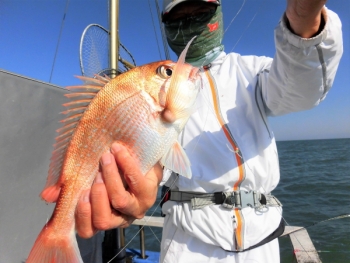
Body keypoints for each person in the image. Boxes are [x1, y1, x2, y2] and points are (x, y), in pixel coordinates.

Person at [75, 0, 343, 262]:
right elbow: (155, 151)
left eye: (201, 12)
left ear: (217, 14)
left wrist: (304, 18)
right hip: (186, 242)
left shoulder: (251, 70)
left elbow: (301, 89)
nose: (190, 23)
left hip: (262, 241)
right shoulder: (151, 88)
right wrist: (138, 183)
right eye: (179, 18)